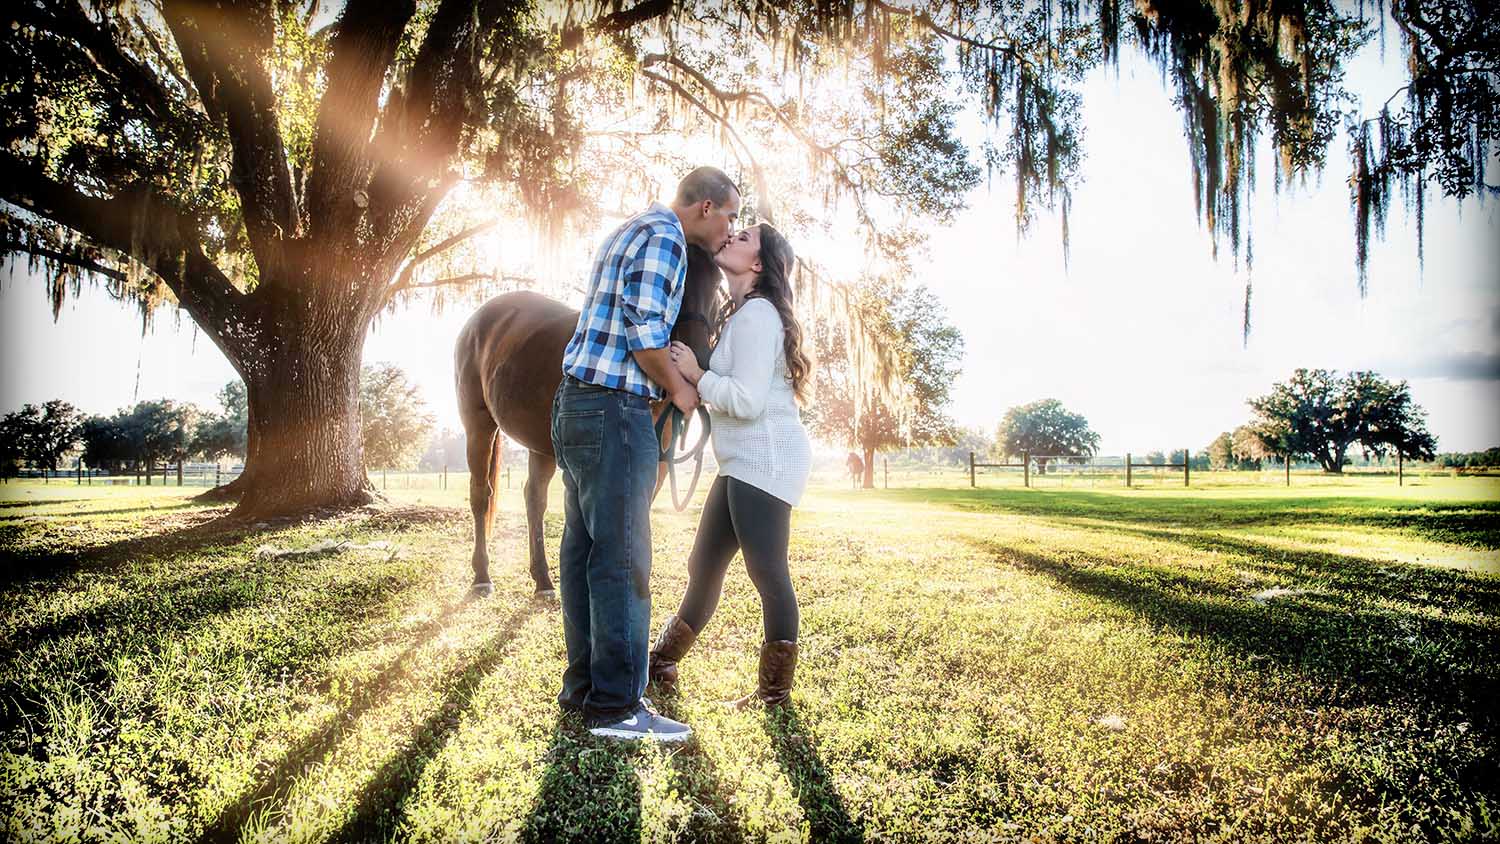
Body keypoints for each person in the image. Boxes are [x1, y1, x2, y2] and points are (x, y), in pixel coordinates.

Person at [551, 167, 740, 742]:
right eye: (730, 216)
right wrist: (683, 391)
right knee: (624, 557)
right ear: (705, 207)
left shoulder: (632, 227)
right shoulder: (665, 238)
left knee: (584, 551)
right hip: (616, 410)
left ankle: (583, 688)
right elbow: (645, 333)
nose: (731, 228)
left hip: (577, 405)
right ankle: (617, 708)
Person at [649, 222, 813, 708]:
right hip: (741, 462)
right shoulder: (742, 315)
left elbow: (745, 401)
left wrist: (698, 375)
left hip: (766, 461)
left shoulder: (759, 315)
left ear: (758, 264)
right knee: (704, 564)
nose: (732, 237)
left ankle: (773, 697)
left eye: (745, 239)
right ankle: (660, 664)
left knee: (769, 574)